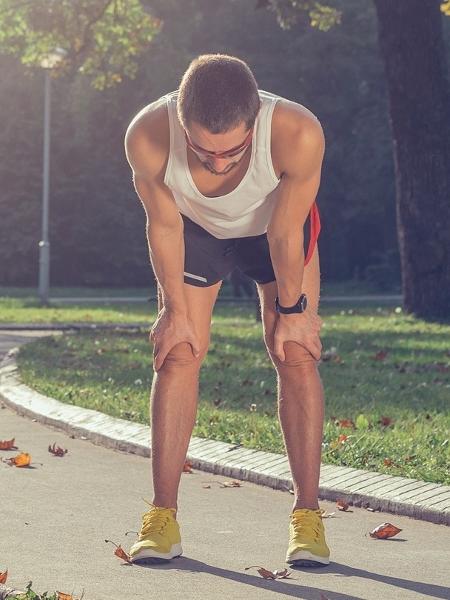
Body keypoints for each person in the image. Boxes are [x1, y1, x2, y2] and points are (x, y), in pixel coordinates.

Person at [124, 53, 329, 567]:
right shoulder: (148, 134)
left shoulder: (297, 131)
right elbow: (165, 227)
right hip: (194, 231)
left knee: (294, 350)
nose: (217, 163)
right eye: (202, 150)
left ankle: (307, 516)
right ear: (180, 121)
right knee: (179, 351)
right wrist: (172, 309)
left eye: (232, 152)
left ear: (255, 120)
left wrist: (294, 309)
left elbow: (286, 233)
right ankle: (162, 517)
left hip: (273, 228)